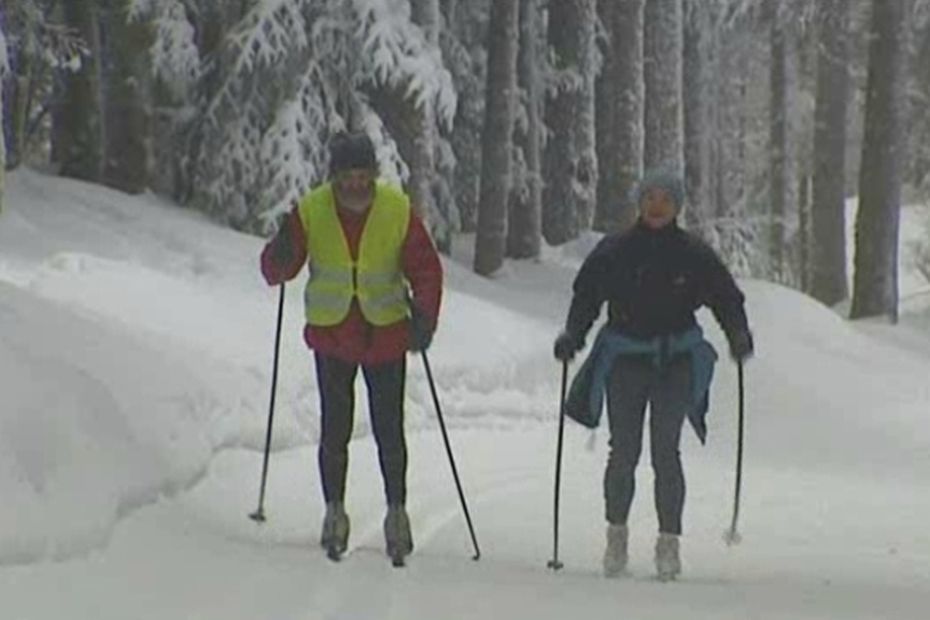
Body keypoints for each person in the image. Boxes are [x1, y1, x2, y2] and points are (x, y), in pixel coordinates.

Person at [553, 168, 753, 581]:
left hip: (675, 360)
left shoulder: (694, 253)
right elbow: (586, 297)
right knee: (623, 450)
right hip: (625, 357)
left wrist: (738, 333)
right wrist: (573, 334)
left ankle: (668, 543)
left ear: (678, 206)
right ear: (639, 204)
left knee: (667, 450)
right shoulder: (614, 250)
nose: (657, 206)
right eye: (650, 198)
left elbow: (725, 296)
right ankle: (617, 535)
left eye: (665, 199)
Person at [260, 131, 443, 564]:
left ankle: (397, 513)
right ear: (335, 176)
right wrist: (281, 250)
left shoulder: (397, 209)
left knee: (389, 431)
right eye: (347, 175)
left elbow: (426, 269)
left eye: (362, 175)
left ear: (373, 175)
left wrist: (425, 315)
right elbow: (274, 272)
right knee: (334, 429)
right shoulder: (311, 210)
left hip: (386, 336)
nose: (355, 184)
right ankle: (334, 512)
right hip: (333, 335)